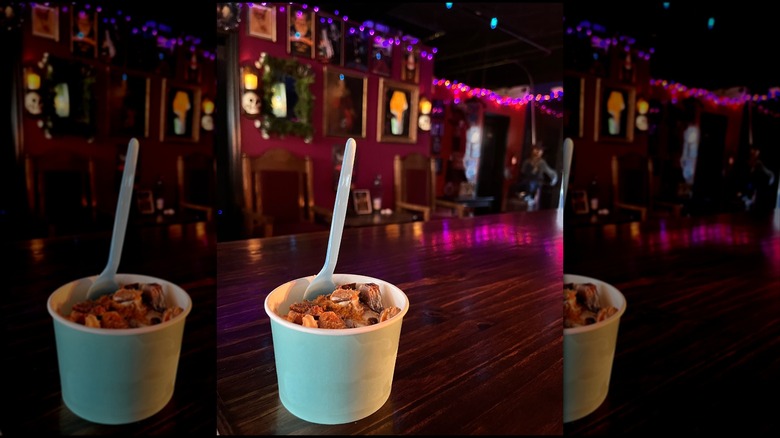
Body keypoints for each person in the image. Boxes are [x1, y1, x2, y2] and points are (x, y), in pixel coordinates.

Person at [515, 144, 558, 210]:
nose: (538, 152)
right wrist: (531, 170)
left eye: (540, 150)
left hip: (537, 182)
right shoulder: (527, 161)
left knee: (532, 184)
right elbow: (523, 171)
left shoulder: (541, 162)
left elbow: (550, 172)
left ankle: (530, 198)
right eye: (536, 150)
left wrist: (554, 178)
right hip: (527, 180)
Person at [737, 146, 776, 212]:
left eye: (756, 154)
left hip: (756, 205)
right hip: (743, 203)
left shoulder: (759, 168)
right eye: (752, 154)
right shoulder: (743, 168)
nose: (754, 156)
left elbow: (771, 178)